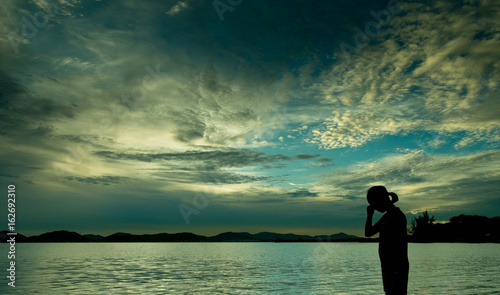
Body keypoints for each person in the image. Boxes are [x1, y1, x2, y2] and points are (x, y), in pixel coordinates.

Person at [365, 186, 409, 295]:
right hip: (388, 266)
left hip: (397, 267)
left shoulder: (396, 216)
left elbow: (398, 246)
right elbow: (368, 233)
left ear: (380, 200)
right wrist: (369, 215)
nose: (373, 207)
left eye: (373, 204)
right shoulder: (387, 216)